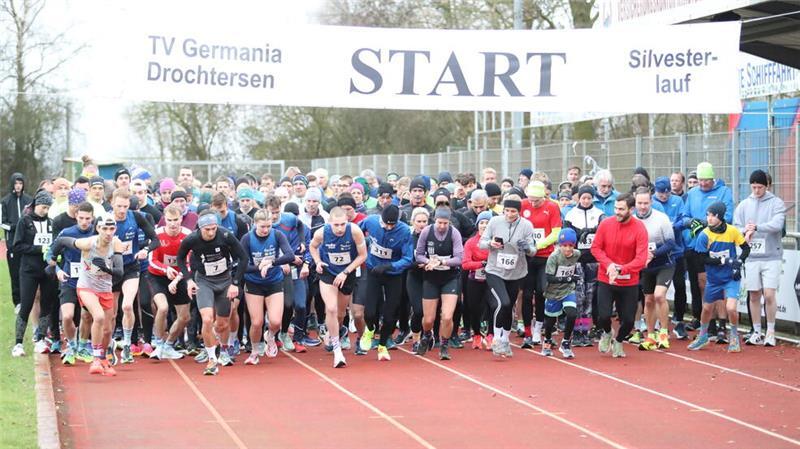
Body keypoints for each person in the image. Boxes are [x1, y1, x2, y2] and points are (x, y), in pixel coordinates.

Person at [50, 213, 126, 375]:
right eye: (104, 228)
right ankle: (96, 359)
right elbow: (62, 241)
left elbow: (119, 272)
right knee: (97, 316)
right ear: (98, 229)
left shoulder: (116, 244)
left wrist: (105, 268)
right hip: (86, 287)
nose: (108, 232)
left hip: (105, 288)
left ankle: (104, 358)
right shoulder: (88, 243)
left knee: (107, 329)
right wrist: (52, 261)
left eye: (111, 228)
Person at [177, 211, 247, 375]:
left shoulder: (225, 235)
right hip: (204, 281)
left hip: (225, 282)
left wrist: (235, 283)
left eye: (213, 228)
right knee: (207, 319)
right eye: (207, 229)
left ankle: (223, 350)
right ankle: (211, 359)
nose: (211, 232)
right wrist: (188, 280)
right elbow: (180, 258)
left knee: (222, 323)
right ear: (200, 228)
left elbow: (243, 258)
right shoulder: (191, 239)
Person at [592, 192, 649, 359]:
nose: (617, 212)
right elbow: (596, 248)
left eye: (621, 209)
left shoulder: (639, 228)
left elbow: (641, 258)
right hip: (606, 278)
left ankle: (618, 341)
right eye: (616, 208)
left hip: (628, 281)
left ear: (631, 209)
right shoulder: (606, 224)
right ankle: (607, 333)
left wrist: (622, 269)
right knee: (602, 316)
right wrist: (609, 265)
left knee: (629, 321)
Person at [309, 207, 368, 368]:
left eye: (343, 224)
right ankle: (337, 351)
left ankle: (335, 331)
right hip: (328, 272)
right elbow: (312, 246)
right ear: (330, 224)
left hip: (347, 274)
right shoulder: (321, 233)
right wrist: (318, 261)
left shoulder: (355, 231)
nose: (340, 228)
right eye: (336, 225)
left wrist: (345, 272)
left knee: (341, 314)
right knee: (332, 309)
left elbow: (363, 255)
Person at [681, 162, 734, 340]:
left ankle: (722, 325)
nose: (703, 184)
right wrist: (692, 223)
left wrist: (707, 223)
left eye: (706, 181)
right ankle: (709, 323)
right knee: (703, 284)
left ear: (713, 178)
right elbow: (685, 216)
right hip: (697, 246)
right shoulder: (693, 193)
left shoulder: (724, 192)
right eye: (700, 180)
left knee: (718, 284)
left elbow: (728, 216)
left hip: (718, 245)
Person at [688, 202, 750, 352]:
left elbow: (746, 248)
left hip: (730, 278)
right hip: (713, 279)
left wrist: (739, 262)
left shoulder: (732, 231)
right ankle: (703, 336)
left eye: (713, 216)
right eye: (708, 215)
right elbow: (702, 259)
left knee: (731, 307)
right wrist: (724, 260)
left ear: (720, 217)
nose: (709, 219)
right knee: (707, 308)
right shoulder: (704, 235)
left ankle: (734, 336)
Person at [733, 169, 785, 347]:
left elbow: (777, 224)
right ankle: (756, 331)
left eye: (760, 187)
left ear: (767, 186)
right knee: (754, 295)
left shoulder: (776, 203)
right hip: (752, 258)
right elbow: (736, 226)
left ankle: (770, 331)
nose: (756, 191)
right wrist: (744, 231)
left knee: (769, 294)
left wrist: (757, 227)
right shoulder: (744, 205)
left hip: (772, 256)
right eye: (754, 187)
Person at [479, 195, 536, 357]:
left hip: (516, 272)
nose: (509, 214)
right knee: (502, 303)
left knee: (509, 306)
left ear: (519, 211)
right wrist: (491, 244)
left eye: (513, 211)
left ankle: (505, 339)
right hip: (495, 270)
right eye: (507, 211)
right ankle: (496, 339)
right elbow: (481, 243)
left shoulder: (526, 225)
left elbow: (533, 250)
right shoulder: (495, 222)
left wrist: (526, 248)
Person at [109, 188, 159, 364]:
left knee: (128, 306)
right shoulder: (105, 221)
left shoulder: (136, 217)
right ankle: (109, 346)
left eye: (125, 206)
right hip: (112, 269)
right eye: (119, 206)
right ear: (112, 203)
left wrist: (145, 250)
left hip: (131, 267)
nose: (122, 210)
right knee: (112, 313)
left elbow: (155, 240)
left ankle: (128, 345)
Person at [240, 209, 296, 365]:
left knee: (276, 321)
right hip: (253, 283)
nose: (265, 230)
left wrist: (271, 262)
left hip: (274, 281)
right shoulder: (247, 239)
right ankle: (254, 351)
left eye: (268, 226)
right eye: (262, 227)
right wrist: (259, 266)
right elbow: (243, 266)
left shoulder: (277, 235)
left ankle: (270, 336)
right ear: (255, 224)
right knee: (256, 322)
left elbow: (290, 255)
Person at [359, 205, 414, 361]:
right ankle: (369, 329)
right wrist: (361, 246)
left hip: (393, 274)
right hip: (373, 270)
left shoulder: (404, 231)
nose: (389, 227)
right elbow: (356, 232)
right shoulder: (371, 221)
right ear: (380, 219)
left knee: (390, 314)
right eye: (386, 224)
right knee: (369, 311)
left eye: (392, 224)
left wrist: (390, 266)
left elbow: (408, 258)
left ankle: (382, 345)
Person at [414, 207, 464, 360]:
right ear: (434, 220)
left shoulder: (454, 233)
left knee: (447, 316)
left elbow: (459, 258)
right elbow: (419, 255)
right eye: (439, 223)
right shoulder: (426, 232)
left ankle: (444, 345)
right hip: (431, 278)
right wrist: (429, 261)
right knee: (428, 319)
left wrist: (442, 261)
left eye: (445, 223)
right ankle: (427, 335)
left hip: (450, 277)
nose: (442, 226)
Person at [12, 191, 58, 356]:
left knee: (46, 304)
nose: (45, 211)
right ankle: (18, 343)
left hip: (47, 271)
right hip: (29, 270)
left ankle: (40, 338)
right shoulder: (25, 221)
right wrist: (38, 249)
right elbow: (17, 246)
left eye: (48, 208)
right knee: (26, 305)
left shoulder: (52, 223)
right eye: (43, 207)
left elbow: (55, 243)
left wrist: (54, 253)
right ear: (36, 205)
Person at [50, 201, 96, 365]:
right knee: (68, 316)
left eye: (88, 219)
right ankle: (71, 345)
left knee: (87, 315)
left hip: (89, 282)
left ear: (92, 218)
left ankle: (83, 346)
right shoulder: (66, 232)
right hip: (69, 280)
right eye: (81, 218)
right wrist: (58, 271)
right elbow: (49, 255)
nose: (84, 222)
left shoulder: (97, 232)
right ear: (76, 216)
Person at [146, 205, 192, 361]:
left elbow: (188, 263)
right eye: (169, 220)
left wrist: (178, 278)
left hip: (179, 277)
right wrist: (166, 270)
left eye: (176, 220)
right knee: (163, 307)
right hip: (158, 276)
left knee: (184, 317)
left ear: (181, 219)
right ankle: (158, 343)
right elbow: (152, 261)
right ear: (164, 219)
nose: (173, 224)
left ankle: (168, 345)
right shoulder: (157, 235)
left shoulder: (187, 236)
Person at [520, 180, 562, 347]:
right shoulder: (523, 205)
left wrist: (537, 245)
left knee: (542, 291)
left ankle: (539, 327)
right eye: (530, 199)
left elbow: (556, 233)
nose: (532, 203)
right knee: (526, 294)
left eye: (536, 200)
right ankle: (528, 330)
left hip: (544, 256)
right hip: (526, 258)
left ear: (543, 196)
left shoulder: (552, 207)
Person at [633, 188, 676, 351]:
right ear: (635, 203)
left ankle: (664, 333)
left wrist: (653, 253)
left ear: (651, 202)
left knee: (659, 295)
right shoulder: (631, 221)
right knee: (648, 300)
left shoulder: (661, 218)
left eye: (645, 203)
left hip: (664, 264)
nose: (642, 207)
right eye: (639, 203)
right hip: (645, 267)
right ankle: (650, 336)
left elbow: (671, 243)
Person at [563, 185, 605, 346]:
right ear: (578, 198)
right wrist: (579, 233)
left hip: (593, 262)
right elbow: (567, 233)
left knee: (590, 297)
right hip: (578, 261)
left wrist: (591, 230)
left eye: (589, 198)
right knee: (578, 297)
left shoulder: (599, 214)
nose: (586, 201)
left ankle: (585, 330)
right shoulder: (572, 214)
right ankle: (576, 331)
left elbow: (603, 227)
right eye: (583, 198)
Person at [652, 176, 690, 339]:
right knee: (655, 291)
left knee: (680, 285)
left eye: (667, 193)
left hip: (677, 250)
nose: (664, 196)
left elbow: (684, 219)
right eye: (661, 193)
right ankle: (656, 322)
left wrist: (672, 225)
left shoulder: (677, 201)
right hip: (658, 252)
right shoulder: (651, 202)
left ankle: (679, 320)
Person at [542, 228, 581, 358]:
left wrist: (571, 279)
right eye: (564, 246)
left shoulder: (577, 254)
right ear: (559, 245)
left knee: (572, 313)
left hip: (568, 290)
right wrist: (568, 278)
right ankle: (547, 340)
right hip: (553, 292)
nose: (567, 249)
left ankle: (565, 343)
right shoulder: (554, 257)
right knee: (550, 321)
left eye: (570, 246)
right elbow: (549, 278)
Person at [462, 211, 493, 350]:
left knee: (493, 306)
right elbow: (465, 264)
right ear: (477, 225)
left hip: (492, 279)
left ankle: (491, 335)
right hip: (474, 279)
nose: (484, 225)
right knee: (474, 308)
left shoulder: (496, 242)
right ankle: (476, 335)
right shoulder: (471, 242)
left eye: (487, 223)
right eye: (482, 223)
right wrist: (482, 264)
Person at [1, 172, 32, 311]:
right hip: (12, 244)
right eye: (16, 183)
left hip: (27, 244)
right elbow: (2, 223)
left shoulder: (29, 200)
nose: (18, 186)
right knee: (15, 273)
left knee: (28, 273)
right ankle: (17, 302)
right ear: (12, 184)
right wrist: (15, 226)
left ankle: (28, 301)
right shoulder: (5, 201)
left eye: (20, 183)